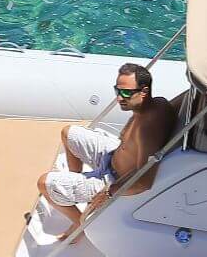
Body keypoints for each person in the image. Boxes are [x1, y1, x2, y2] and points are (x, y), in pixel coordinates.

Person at [40, 63, 178, 234]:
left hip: (112, 180)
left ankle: (80, 226)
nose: (119, 98)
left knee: (44, 183)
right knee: (68, 133)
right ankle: (74, 187)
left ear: (144, 91)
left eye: (126, 92)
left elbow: (144, 182)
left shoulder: (147, 130)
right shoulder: (159, 103)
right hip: (113, 154)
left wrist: (109, 192)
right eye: (117, 91)